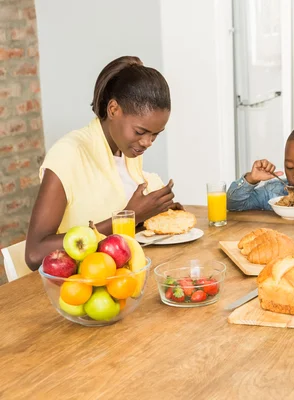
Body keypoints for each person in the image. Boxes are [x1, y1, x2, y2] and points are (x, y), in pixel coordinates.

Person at [25, 56, 181, 269]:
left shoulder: (125, 152)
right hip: (75, 289)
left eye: (155, 135)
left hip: (118, 279)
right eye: (140, 132)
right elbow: (34, 254)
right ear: (113, 109)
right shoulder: (69, 153)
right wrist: (129, 217)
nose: (147, 142)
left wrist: (154, 212)